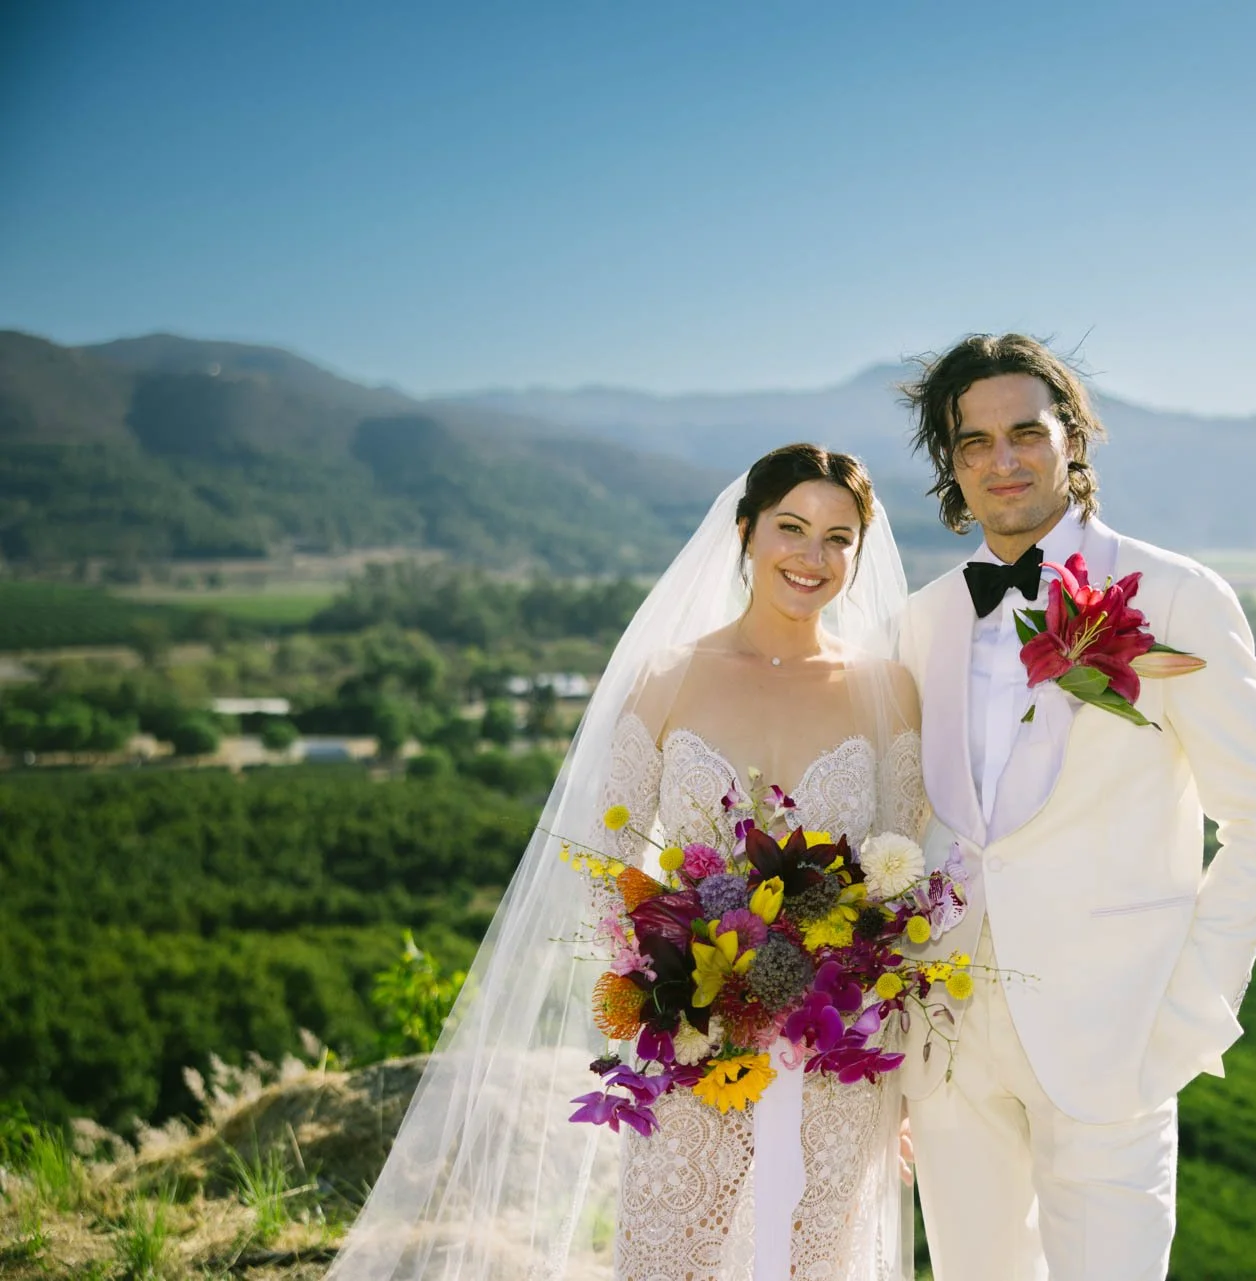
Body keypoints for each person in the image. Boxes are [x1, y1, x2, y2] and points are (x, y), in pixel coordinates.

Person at [330, 444, 926, 1281]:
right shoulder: (667, 677)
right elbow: (604, 864)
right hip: (689, 1048)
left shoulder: (888, 689)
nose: (813, 556)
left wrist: (888, 1064)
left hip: (831, 1071)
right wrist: (680, 982)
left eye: (839, 537)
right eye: (792, 527)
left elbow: (905, 884)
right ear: (747, 532)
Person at [895, 334, 1256, 1281]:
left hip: (1114, 1034)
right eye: (974, 442)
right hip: (948, 1038)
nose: (1003, 461)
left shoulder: (1174, 595)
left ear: (1072, 439)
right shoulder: (924, 619)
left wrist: (1185, 1011)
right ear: (951, 467)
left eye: (1025, 433)